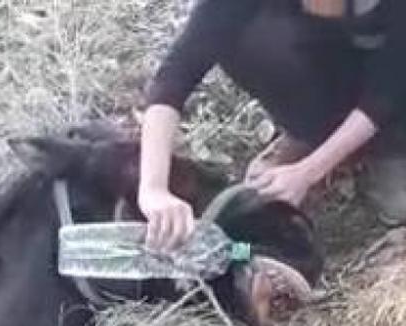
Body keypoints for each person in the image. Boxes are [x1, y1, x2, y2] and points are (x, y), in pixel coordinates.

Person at [138, 0, 406, 252]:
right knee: (249, 39)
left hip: (391, 91)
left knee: (400, 204)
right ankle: (310, 133)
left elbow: (385, 92)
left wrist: (307, 173)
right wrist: (153, 190)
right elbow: (174, 78)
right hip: (324, 73)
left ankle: (384, 150)